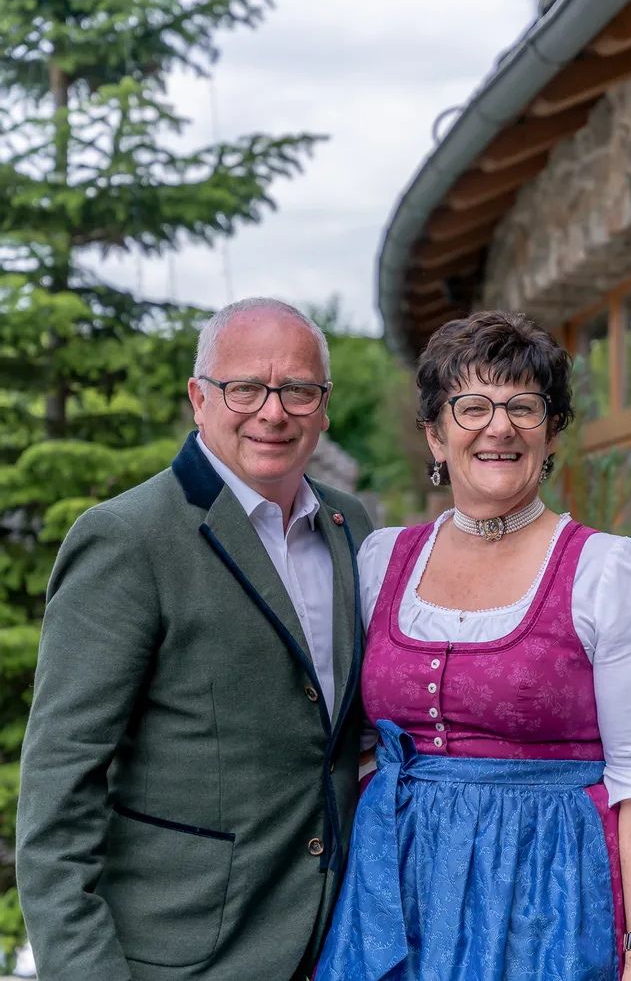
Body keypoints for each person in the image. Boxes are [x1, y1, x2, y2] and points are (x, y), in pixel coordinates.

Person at [316, 311, 631, 981]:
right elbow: (360, 743)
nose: (499, 426)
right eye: (472, 406)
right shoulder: (381, 560)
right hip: (398, 885)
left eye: (524, 407)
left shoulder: (607, 572)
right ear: (435, 433)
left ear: (551, 435)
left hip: (550, 888)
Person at [16, 298, 375, 981]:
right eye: (245, 388)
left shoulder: (349, 525)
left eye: (298, 390)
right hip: (180, 960)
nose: (273, 412)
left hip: (333, 949)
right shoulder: (128, 539)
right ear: (198, 398)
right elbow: (58, 800)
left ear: (323, 406)